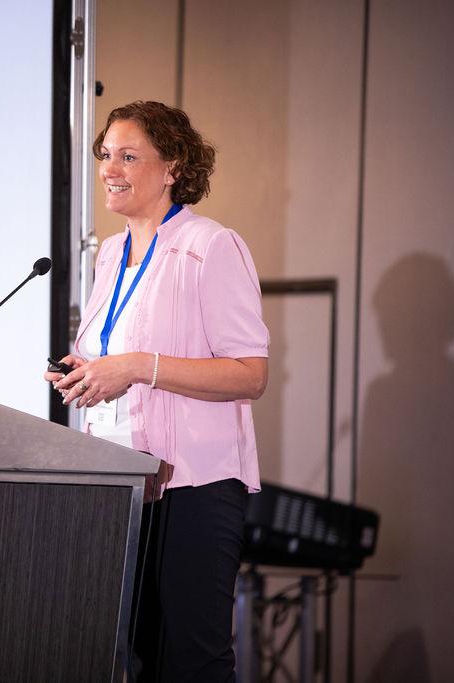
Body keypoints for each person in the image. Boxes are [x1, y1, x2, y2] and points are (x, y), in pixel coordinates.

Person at [44, 101, 269, 682]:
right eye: (105, 155)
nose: (108, 169)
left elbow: (250, 373)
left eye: (127, 156)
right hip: (122, 483)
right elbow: (120, 358)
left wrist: (139, 366)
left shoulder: (210, 246)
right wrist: (88, 371)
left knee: (193, 662)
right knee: (135, 660)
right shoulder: (110, 254)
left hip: (194, 484)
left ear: (172, 167)